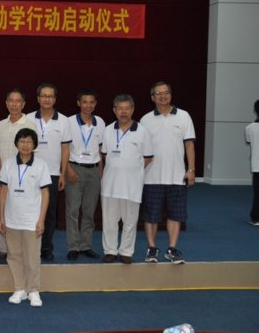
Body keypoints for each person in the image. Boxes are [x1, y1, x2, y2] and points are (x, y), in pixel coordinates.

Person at [141, 81, 196, 264]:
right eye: (158, 93)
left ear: (171, 95)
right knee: (151, 215)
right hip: (151, 176)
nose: (163, 96)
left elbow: (189, 144)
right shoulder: (146, 119)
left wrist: (191, 170)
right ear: (152, 98)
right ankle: (152, 248)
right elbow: (141, 149)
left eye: (166, 92)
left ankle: (172, 248)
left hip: (177, 176)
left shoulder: (184, 116)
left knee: (175, 215)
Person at [0, 128, 51, 307]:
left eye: (29, 142)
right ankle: (19, 288)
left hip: (32, 220)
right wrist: (2, 217)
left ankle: (33, 290)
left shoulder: (41, 165)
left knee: (32, 257)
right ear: (16, 143)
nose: (25, 145)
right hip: (12, 218)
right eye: (22, 141)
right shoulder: (8, 164)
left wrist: (41, 219)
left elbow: (45, 193)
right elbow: (3, 191)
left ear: (34, 145)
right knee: (14, 255)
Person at [100, 94, 153, 264]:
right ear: (114, 110)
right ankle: (110, 250)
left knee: (130, 221)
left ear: (133, 110)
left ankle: (126, 252)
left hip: (132, 185)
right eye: (120, 108)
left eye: (127, 108)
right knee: (109, 221)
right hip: (110, 185)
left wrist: (133, 170)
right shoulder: (108, 130)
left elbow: (148, 157)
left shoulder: (142, 131)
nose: (124, 112)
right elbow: (105, 155)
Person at [0, 88, 38, 261]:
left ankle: (18, 249)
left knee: (19, 212)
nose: (14, 104)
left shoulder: (30, 125)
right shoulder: (1, 124)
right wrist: (1, 172)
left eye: (18, 101)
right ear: (6, 103)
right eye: (11, 101)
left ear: (23, 104)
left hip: (23, 179)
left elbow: (32, 152)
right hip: (2, 177)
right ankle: (2, 248)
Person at [27, 82, 71, 261]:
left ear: (55, 99)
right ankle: (31, 246)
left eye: (50, 96)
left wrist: (63, 173)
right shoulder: (28, 118)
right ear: (38, 98)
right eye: (43, 96)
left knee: (50, 213)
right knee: (30, 210)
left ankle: (46, 247)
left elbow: (65, 149)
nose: (47, 99)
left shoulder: (64, 120)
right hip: (30, 172)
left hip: (52, 173)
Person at [65, 88, 105, 261]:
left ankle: (86, 245)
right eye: (85, 102)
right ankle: (74, 246)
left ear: (95, 104)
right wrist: (67, 169)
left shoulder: (100, 122)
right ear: (78, 103)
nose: (88, 105)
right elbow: (64, 148)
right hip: (75, 168)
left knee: (89, 211)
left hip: (94, 170)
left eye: (91, 102)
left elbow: (100, 150)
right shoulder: (69, 122)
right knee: (72, 210)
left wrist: (100, 172)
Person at [245, 99, 259, 226]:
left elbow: (249, 142)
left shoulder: (249, 128)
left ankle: (256, 218)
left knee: (257, 192)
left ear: (255, 111)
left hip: (257, 165)